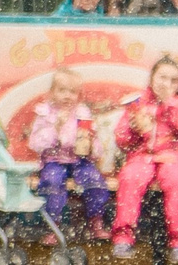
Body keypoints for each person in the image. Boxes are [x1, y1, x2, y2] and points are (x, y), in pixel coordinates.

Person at [110, 54, 178, 263]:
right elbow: (122, 140)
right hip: (142, 157)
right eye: (162, 78)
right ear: (152, 78)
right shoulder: (137, 103)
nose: (167, 84)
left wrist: (169, 104)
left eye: (173, 80)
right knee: (130, 178)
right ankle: (123, 237)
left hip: (173, 157)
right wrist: (132, 128)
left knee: (177, 180)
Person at [27, 69, 113, 239]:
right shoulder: (45, 113)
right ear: (52, 92)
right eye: (62, 90)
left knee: (94, 180)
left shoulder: (82, 114)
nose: (67, 96)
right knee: (52, 181)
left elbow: (95, 143)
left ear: (78, 95)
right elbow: (35, 143)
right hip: (54, 160)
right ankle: (53, 225)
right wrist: (55, 128)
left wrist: (91, 147)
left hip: (79, 160)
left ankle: (96, 221)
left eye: (72, 92)